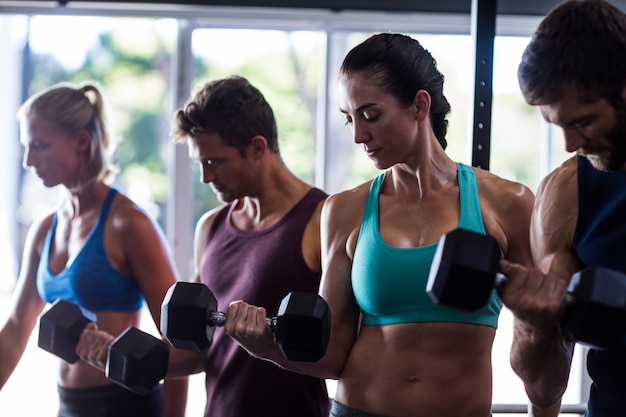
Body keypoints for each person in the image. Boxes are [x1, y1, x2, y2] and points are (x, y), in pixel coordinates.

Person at [225, 33, 535, 417]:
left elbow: (541, 338)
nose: (358, 135)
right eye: (349, 119)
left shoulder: (508, 204)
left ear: (420, 106)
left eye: (370, 115)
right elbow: (331, 356)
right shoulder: (343, 211)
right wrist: (268, 348)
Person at [0, 81, 188, 417]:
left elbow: (179, 342)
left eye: (39, 146)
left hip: (125, 404)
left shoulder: (129, 224)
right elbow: (15, 332)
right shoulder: (45, 229)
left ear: (81, 142)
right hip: (69, 405)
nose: (29, 160)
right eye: (26, 147)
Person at [167, 75, 330, 417]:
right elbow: (200, 346)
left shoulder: (322, 222)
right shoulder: (210, 227)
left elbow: (344, 350)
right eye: (200, 164)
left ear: (257, 148)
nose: (206, 178)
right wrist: (112, 357)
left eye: (214, 162)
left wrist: (268, 345)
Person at [499, 1, 626, 416]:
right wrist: (532, 324)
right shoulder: (568, 192)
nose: (571, 145)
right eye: (558, 125)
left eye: (583, 122)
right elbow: (544, 389)